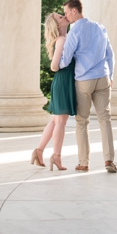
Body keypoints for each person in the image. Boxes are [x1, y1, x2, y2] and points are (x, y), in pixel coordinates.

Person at [59, 0, 116, 173]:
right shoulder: (100, 28)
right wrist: (111, 75)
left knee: (82, 121)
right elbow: (110, 54)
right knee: (105, 119)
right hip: (103, 77)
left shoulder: (74, 32)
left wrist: (56, 64)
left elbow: (65, 60)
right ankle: (109, 161)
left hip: (84, 80)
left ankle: (84, 162)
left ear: (74, 11)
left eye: (67, 12)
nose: (66, 16)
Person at [30, 13, 77, 171]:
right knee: (61, 123)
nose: (64, 16)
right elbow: (54, 66)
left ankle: (39, 151)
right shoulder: (62, 40)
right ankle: (56, 156)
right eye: (60, 17)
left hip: (62, 82)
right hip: (63, 82)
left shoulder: (65, 38)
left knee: (55, 121)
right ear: (57, 25)